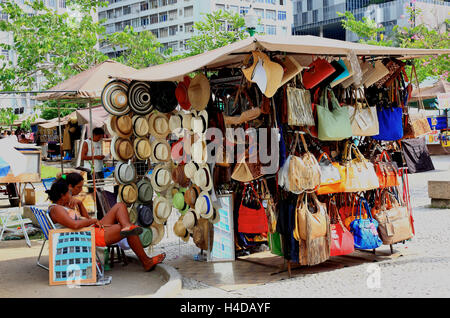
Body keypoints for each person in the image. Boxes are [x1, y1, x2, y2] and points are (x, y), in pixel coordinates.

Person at [46, 178, 166, 272]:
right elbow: (75, 225)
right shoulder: (56, 209)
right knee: (129, 231)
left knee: (120, 206)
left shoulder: (62, 208)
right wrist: (92, 221)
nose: (71, 195)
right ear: (62, 195)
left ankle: (126, 226)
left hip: (89, 230)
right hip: (87, 236)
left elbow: (85, 219)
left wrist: (80, 205)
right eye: (69, 193)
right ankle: (146, 261)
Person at [81, 127, 105, 192]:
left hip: (100, 169)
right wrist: (96, 157)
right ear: (94, 135)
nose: (100, 138)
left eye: (101, 137)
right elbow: (83, 157)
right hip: (90, 170)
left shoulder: (100, 142)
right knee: (92, 190)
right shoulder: (86, 143)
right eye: (99, 137)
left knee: (101, 190)